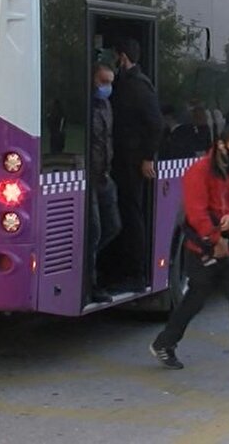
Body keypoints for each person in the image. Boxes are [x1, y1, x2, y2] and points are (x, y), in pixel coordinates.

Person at [150, 126, 229, 382]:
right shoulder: (198, 172)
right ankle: (164, 342)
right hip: (204, 249)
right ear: (221, 145)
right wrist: (215, 239)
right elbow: (196, 213)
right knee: (195, 299)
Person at [109, 38, 164, 292]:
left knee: (132, 215)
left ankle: (136, 274)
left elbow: (155, 124)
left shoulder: (139, 86)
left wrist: (147, 157)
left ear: (122, 58)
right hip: (121, 159)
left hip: (132, 162)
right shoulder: (124, 84)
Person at [88, 64, 121, 304]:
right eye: (103, 81)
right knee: (94, 231)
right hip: (89, 176)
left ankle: (89, 265)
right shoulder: (86, 106)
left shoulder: (106, 105)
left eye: (110, 82)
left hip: (104, 176)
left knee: (113, 225)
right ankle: (91, 282)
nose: (107, 87)